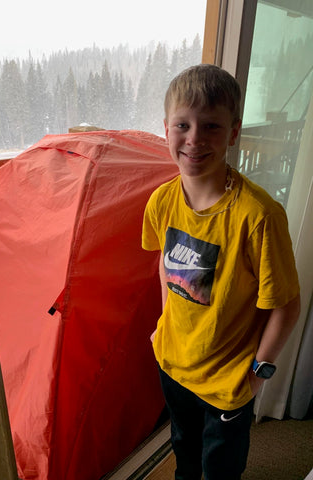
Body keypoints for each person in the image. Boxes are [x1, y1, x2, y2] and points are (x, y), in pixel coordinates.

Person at [142, 64, 301, 480]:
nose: (194, 139)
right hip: (174, 364)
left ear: (233, 133)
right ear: (166, 129)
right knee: (184, 452)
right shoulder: (161, 201)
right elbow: (164, 262)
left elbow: (286, 304)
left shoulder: (260, 216)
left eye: (211, 126)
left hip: (229, 383)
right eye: (183, 124)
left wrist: (259, 372)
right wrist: (164, 322)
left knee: (220, 467)